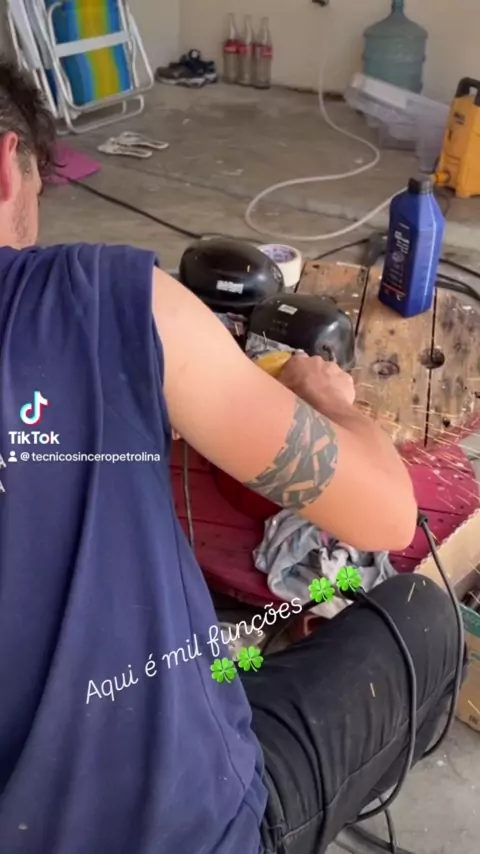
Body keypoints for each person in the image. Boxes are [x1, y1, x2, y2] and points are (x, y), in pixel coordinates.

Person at [0, 61, 459, 854]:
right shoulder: (96, 298)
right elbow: (386, 515)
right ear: (7, 170)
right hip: (184, 834)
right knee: (423, 618)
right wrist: (333, 404)